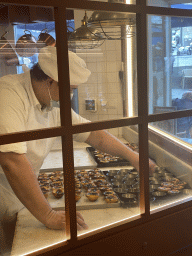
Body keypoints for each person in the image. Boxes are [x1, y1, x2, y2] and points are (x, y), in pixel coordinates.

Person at [0, 46, 156, 254]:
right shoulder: (8, 94)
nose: (71, 95)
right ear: (50, 81)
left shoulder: (51, 103)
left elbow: (93, 134)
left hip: (22, 195)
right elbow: (12, 160)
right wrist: (48, 215)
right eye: (70, 88)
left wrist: (133, 157)